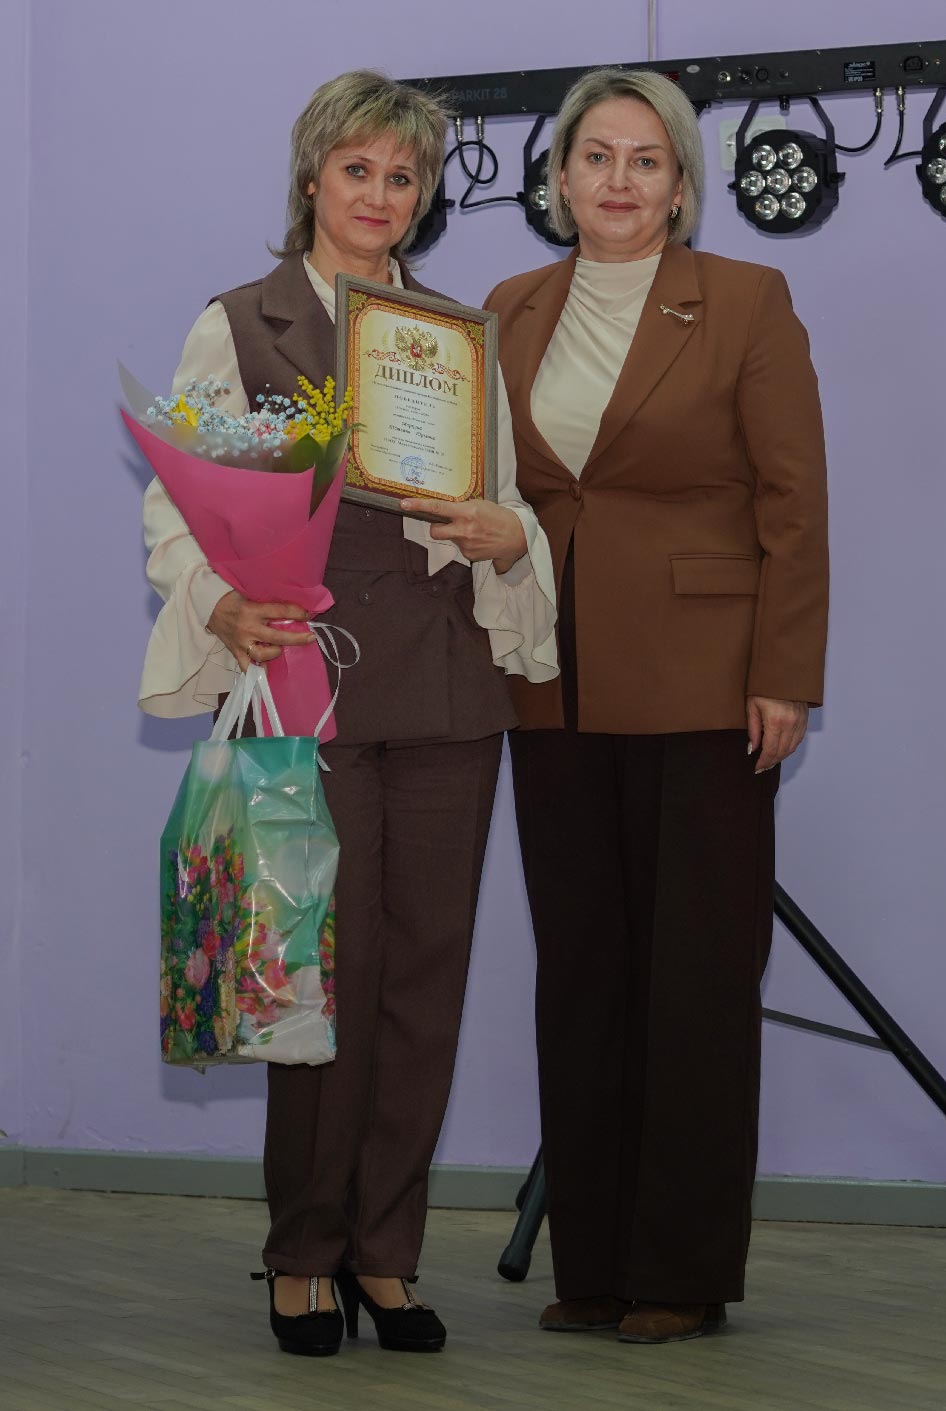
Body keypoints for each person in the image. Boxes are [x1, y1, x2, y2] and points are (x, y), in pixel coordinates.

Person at [140, 69, 557, 1357]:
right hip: (306, 680)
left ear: (424, 197)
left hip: (443, 681)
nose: (381, 194)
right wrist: (219, 605)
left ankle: (386, 1253)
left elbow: (504, 502)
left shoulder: (455, 336)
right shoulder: (241, 323)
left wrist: (507, 535)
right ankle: (302, 1253)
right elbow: (177, 505)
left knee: (425, 977)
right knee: (319, 977)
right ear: (313, 177)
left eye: (404, 175)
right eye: (359, 169)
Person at [485, 66, 829, 1345]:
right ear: (559, 177)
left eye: (645, 159)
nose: (618, 179)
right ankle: (593, 1261)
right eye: (596, 156)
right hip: (550, 678)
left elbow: (794, 501)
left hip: (707, 682)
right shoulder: (506, 309)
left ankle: (680, 1270)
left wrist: (785, 671)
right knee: (580, 974)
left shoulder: (746, 299)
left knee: (694, 980)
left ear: (680, 186)